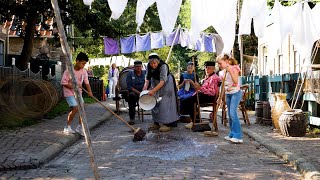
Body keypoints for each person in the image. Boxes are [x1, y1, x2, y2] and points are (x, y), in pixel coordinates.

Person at [143, 53, 179, 132]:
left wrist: (153, 90)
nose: (153, 65)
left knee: (165, 103)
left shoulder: (163, 66)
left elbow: (162, 81)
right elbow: (147, 79)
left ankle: (167, 124)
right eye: (151, 63)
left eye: (154, 63)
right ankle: (156, 123)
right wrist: (144, 89)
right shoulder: (149, 66)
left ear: (158, 62)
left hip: (166, 84)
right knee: (154, 102)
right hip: (155, 83)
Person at [61, 52, 93, 135]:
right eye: (82, 63)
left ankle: (79, 127)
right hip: (69, 93)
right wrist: (74, 86)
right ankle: (67, 127)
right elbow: (63, 83)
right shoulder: (69, 71)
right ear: (77, 61)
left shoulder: (84, 71)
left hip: (78, 93)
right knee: (75, 107)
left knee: (82, 107)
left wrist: (90, 92)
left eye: (85, 64)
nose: (83, 65)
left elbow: (87, 83)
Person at [182, 61, 220, 129]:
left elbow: (212, 92)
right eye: (206, 68)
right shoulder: (207, 77)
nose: (207, 70)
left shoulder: (214, 78)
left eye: (209, 68)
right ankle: (195, 119)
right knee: (186, 100)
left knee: (188, 101)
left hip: (209, 97)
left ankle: (195, 120)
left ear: (213, 69)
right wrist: (198, 88)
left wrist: (200, 88)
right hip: (204, 95)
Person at [217, 54, 243, 144]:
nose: (219, 66)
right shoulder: (222, 72)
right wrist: (220, 97)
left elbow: (236, 81)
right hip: (228, 94)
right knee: (229, 114)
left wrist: (230, 71)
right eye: (218, 64)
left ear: (227, 62)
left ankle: (238, 136)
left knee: (233, 113)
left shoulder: (234, 68)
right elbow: (223, 85)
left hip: (236, 93)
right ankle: (232, 133)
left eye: (220, 63)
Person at [126, 60, 146, 125]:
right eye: (137, 67)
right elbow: (129, 87)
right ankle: (132, 118)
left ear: (142, 67)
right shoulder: (130, 74)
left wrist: (144, 92)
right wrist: (139, 93)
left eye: (139, 66)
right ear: (134, 67)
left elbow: (149, 83)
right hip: (134, 93)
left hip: (144, 92)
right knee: (131, 95)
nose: (138, 68)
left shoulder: (145, 73)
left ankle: (156, 119)